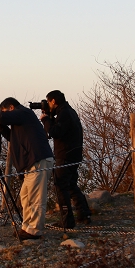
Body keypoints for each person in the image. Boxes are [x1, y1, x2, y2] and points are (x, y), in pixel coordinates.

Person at [0, 98, 54, 241]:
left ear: (11, 107)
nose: (5, 116)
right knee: (25, 196)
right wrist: (0, 125)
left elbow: (4, 117)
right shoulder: (22, 122)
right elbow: (12, 137)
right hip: (33, 163)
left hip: (38, 161)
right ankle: (27, 227)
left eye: (4, 112)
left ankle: (35, 230)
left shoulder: (24, 113)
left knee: (36, 198)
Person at [40, 90, 91, 229]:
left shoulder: (64, 114)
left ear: (53, 101)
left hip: (65, 155)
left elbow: (55, 132)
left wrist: (45, 120)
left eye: (48, 102)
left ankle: (67, 221)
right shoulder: (70, 111)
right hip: (74, 154)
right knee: (71, 184)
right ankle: (84, 214)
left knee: (61, 186)